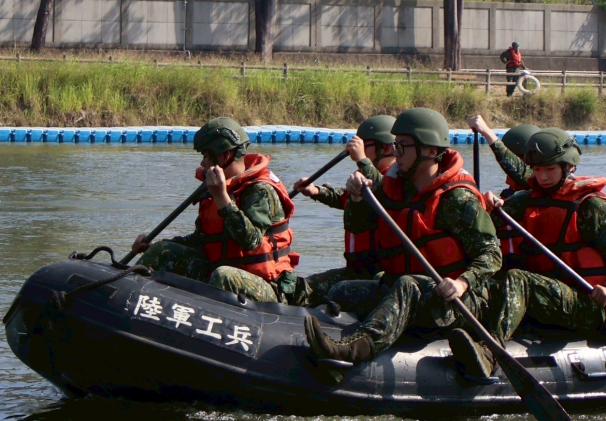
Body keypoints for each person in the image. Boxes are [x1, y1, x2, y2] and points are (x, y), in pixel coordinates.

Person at [304, 108, 501, 367]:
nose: (396, 153)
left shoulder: (457, 199)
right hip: (405, 288)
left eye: (403, 146)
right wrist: (356, 198)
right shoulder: (394, 188)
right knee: (342, 290)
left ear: (430, 150)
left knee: (408, 285)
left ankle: (355, 350)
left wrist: (462, 283)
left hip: (456, 300)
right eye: (395, 145)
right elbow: (358, 224)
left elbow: (491, 254)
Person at [447, 128, 606, 379]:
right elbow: (487, 226)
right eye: (537, 169)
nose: (542, 177)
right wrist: (487, 205)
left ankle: (490, 352)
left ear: (568, 166)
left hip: (585, 303)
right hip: (548, 295)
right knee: (490, 283)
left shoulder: (590, 207)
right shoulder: (526, 199)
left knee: (518, 278)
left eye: (549, 169)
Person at [132, 117, 300, 303]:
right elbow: (201, 240)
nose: (202, 163)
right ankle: (131, 295)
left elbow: (251, 242)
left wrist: (222, 198)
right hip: (220, 269)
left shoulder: (260, 191)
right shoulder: (219, 190)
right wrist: (154, 246)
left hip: (265, 285)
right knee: (162, 251)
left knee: (223, 276)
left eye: (206, 156)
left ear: (224, 156)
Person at [291, 115, 397, 311]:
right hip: (357, 269)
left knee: (325, 291)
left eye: (365, 145)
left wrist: (363, 159)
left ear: (385, 148)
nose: (358, 150)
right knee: (300, 289)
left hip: (377, 272)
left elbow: (383, 193)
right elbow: (346, 198)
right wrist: (316, 191)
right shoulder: (369, 177)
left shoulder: (395, 180)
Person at [465, 115, 537, 198]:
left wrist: (486, 132)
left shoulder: (539, 183)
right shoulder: (513, 192)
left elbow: (519, 170)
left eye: (518, 159)